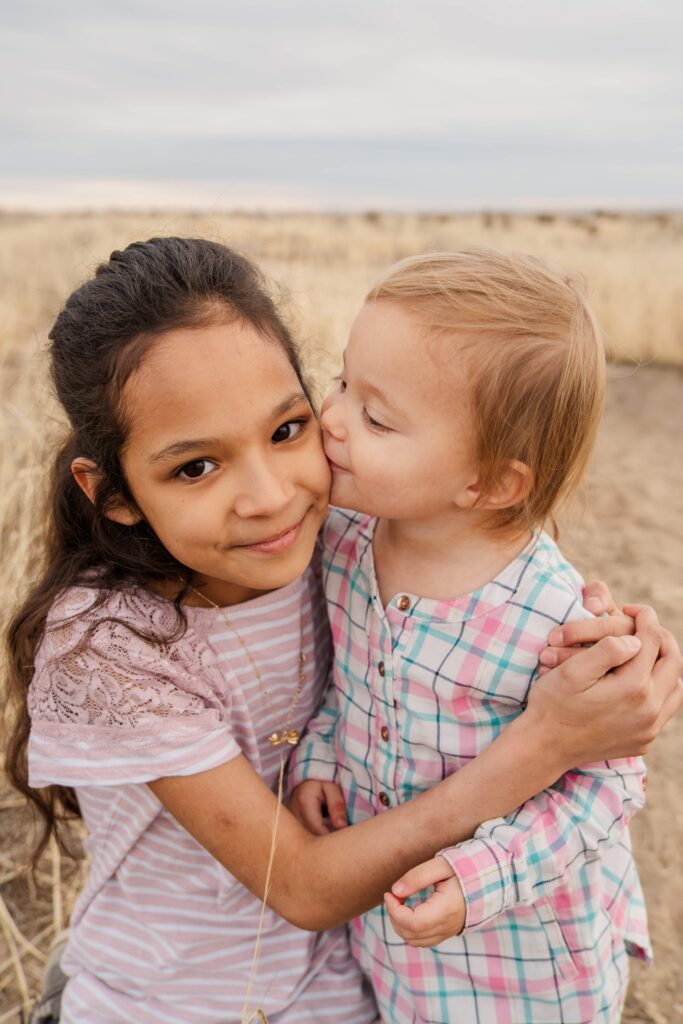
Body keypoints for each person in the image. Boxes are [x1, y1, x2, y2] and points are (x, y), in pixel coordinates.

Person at [4, 238, 679, 1024]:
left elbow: (478, 569)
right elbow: (303, 883)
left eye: (287, 428)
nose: (269, 497)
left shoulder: (346, 542)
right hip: (170, 1003)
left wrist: (624, 665)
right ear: (112, 492)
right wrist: (550, 741)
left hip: (379, 989)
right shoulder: (113, 644)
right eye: (195, 467)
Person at [287, 248, 679, 1024]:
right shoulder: (346, 542)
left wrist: (482, 875)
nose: (329, 418)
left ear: (492, 483)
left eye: (375, 417)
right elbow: (353, 682)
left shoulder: (553, 619)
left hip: (522, 967)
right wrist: (326, 755)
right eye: (341, 382)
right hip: (395, 948)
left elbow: (608, 784)